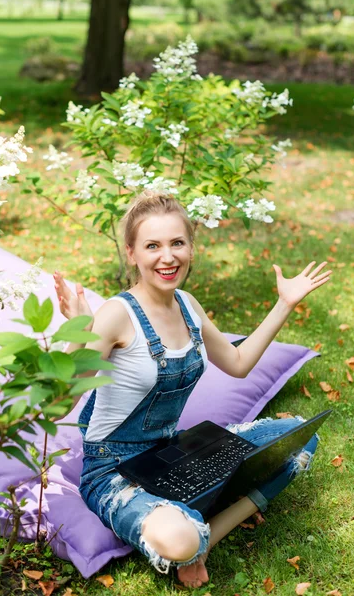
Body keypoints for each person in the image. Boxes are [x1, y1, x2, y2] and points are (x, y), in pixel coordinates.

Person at [53, 190, 332, 589]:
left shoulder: (188, 305)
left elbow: (237, 365)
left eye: (177, 243)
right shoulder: (116, 314)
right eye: (153, 246)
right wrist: (78, 333)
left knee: (300, 439)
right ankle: (191, 539)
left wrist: (284, 303)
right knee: (180, 541)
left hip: (174, 455)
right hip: (114, 472)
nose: (168, 257)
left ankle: (204, 534)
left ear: (190, 247)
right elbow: (61, 399)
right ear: (131, 253)